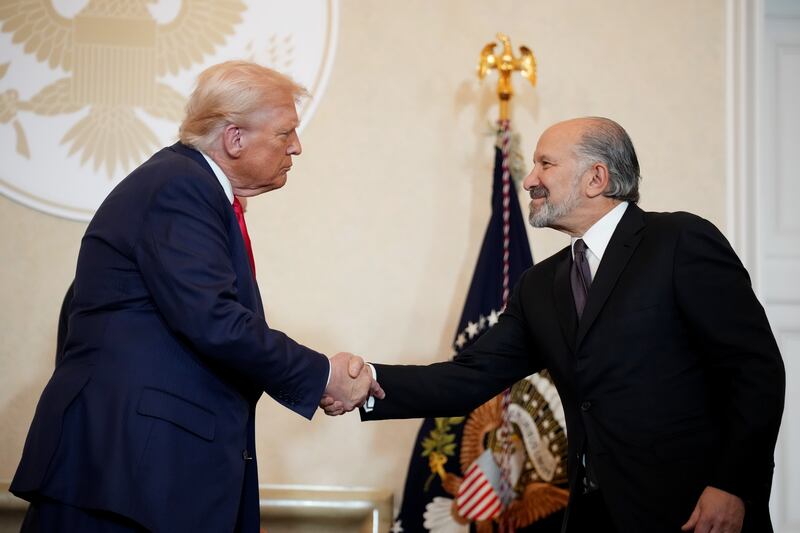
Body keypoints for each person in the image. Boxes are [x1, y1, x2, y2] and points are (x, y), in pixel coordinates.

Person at [324, 117, 785, 532]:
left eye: (545, 164)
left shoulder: (679, 241)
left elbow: (755, 371)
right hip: (594, 515)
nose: (529, 180)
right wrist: (369, 383)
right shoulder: (539, 286)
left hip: (694, 512)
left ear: (596, 178)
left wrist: (733, 485)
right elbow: (470, 377)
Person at [11, 61, 382, 533]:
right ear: (235, 139)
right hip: (123, 478)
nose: (297, 146)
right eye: (286, 132)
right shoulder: (180, 186)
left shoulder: (185, 188)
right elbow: (216, 322)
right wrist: (324, 374)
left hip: (141, 477)